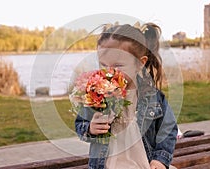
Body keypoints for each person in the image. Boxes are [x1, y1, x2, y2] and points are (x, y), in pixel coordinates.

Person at [75, 22, 178, 169]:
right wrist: (90, 129)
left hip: (143, 163)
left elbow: (168, 130)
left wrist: (160, 159)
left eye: (117, 66)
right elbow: (80, 124)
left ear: (140, 63)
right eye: (103, 65)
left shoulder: (153, 97)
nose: (109, 72)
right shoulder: (96, 94)